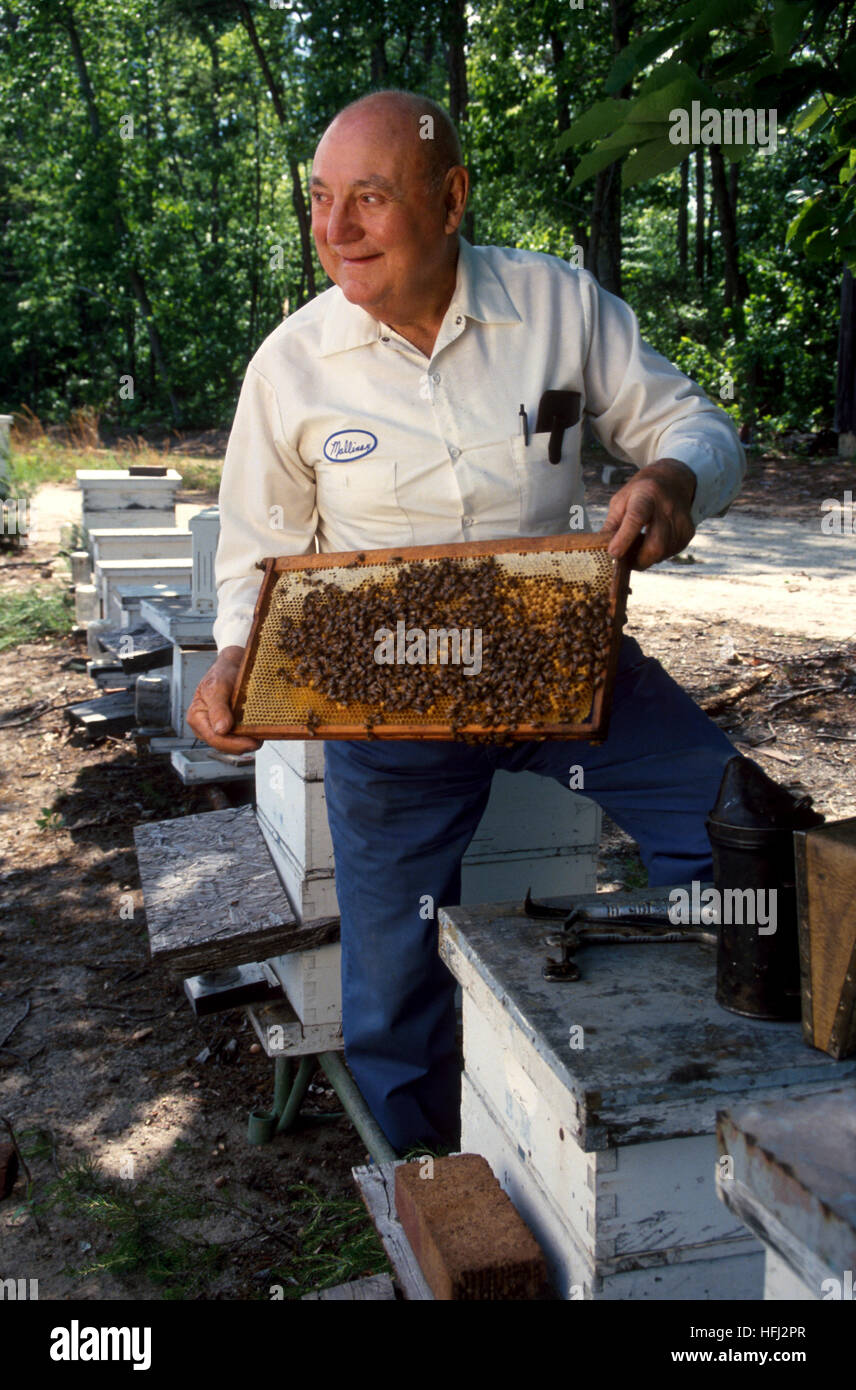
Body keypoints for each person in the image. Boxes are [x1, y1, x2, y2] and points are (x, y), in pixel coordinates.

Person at [188, 89, 746, 1153]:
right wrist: (231, 662)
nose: (334, 228)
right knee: (390, 987)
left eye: (368, 198)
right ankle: (432, 1182)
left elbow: (691, 420)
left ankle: (698, 1092)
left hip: (563, 663)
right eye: (318, 199)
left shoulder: (558, 305)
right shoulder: (289, 364)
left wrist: (675, 477)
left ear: (451, 200)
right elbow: (256, 551)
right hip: (386, 699)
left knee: (737, 829)